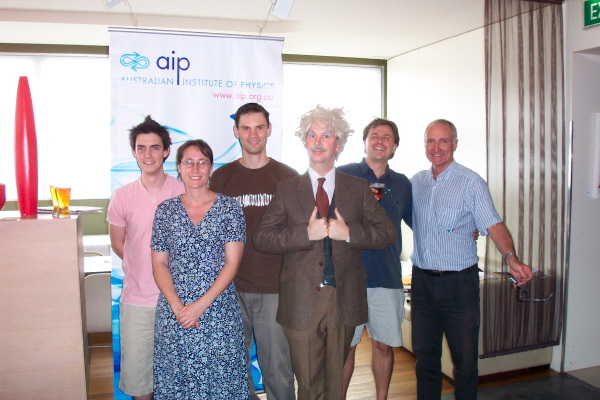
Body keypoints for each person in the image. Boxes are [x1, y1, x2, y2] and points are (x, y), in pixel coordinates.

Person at [253, 105, 396, 400]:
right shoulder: (287, 189)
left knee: (335, 382)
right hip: (301, 299)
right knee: (307, 383)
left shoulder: (358, 188)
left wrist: (350, 234)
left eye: (326, 135)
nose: (318, 141)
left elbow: (386, 233)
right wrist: (305, 234)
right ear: (305, 142)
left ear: (338, 144)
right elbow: (263, 238)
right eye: (312, 135)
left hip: (344, 300)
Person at [410, 119, 533, 400]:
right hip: (422, 284)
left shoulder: (471, 182)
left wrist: (511, 258)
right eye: (431, 141)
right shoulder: (416, 182)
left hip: (459, 285)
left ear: (454, 144)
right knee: (425, 358)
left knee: (465, 361)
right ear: (425, 145)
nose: (436, 147)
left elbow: (493, 224)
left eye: (443, 141)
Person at [210, 103, 297, 400]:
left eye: (259, 127)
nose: (253, 134)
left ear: (269, 130)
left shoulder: (288, 177)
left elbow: (299, 235)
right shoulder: (220, 179)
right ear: (236, 132)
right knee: (234, 370)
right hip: (229, 289)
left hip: (275, 289)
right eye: (245, 128)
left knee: (279, 371)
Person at [151, 139, 248, 399]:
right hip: (175, 312)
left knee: (221, 381)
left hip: (217, 311)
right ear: (179, 168)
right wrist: (177, 307)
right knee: (177, 380)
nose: (195, 169)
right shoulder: (165, 211)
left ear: (211, 168)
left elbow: (232, 263)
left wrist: (200, 305)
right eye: (189, 162)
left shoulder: (229, 208)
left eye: (202, 162)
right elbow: (159, 263)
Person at [107, 115, 185, 400]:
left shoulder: (184, 192)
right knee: (141, 386)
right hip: (136, 301)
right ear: (134, 152)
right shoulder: (122, 196)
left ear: (166, 151)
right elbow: (119, 244)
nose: (148, 154)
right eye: (141, 148)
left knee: (179, 382)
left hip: (179, 303)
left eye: (155, 147)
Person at [338, 118, 412, 400]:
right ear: (365, 141)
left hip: (387, 278)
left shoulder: (403, 184)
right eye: (375, 135)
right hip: (349, 279)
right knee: (346, 347)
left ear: (394, 146)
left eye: (387, 137)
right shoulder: (343, 175)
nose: (380, 141)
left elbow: (423, 222)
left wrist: (466, 229)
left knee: (383, 346)